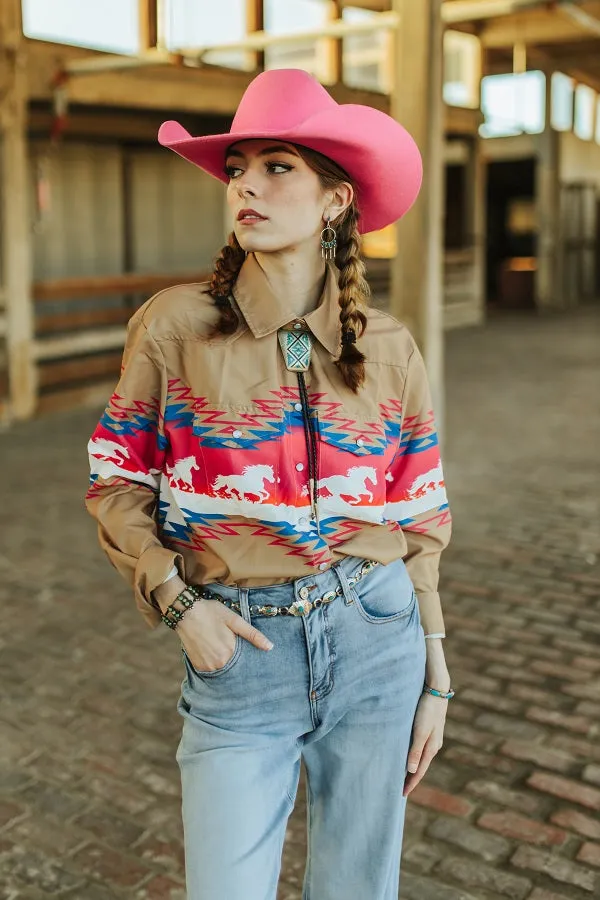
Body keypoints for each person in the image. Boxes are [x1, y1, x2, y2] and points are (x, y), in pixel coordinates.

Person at [85, 68, 453, 900]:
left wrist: (434, 674)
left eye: (276, 164)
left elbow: (420, 518)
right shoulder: (177, 326)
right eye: (238, 165)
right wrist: (181, 607)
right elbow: (115, 479)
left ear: (334, 202)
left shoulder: (390, 348)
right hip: (239, 656)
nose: (245, 182)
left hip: (377, 641)